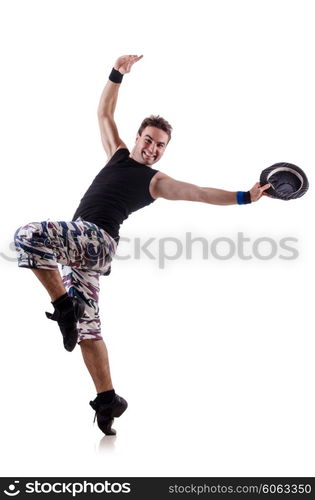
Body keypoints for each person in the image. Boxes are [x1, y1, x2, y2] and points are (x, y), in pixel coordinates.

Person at [14, 54, 270, 435]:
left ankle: (61, 305)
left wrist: (245, 197)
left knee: (28, 236)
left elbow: (199, 193)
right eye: (148, 140)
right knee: (88, 329)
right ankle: (107, 400)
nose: (152, 149)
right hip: (79, 252)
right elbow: (104, 114)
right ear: (137, 138)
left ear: (164, 150)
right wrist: (117, 73)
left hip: (96, 241)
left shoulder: (155, 181)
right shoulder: (117, 154)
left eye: (160, 146)